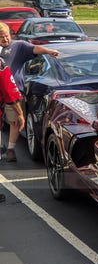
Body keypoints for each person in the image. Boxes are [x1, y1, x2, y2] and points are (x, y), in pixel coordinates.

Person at [0, 22, 59, 162]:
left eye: (6, 36)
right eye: (1, 38)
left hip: (13, 91)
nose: (5, 40)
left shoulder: (19, 46)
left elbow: (35, 49)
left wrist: (49, 51)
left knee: (15, 120)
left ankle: (10, 149)